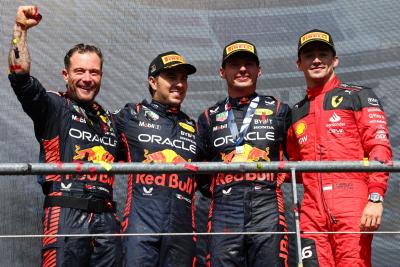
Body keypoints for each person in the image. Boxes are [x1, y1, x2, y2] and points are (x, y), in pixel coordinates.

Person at [8, 6, 122, 266]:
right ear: (66, 75)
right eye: (79, 71)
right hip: (66, 212)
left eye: (93, 72)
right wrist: (20, 30)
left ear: (101, 76)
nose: (87, 78)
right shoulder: (53, 106)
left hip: (106, 218)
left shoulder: (111, 121)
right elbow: (20, 77)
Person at [286, 29, 392, 266]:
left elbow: (379, 148)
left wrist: (375, 198)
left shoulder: (359, 96)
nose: (316, 60)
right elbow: (294, 164)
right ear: (299, 64)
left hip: (352, 205)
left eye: (323, 54)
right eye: (309, 55)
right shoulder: (295, 112)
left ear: (335, 60)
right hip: (311, 213)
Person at [197, 40, 291, 267]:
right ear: (222, 72)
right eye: (234, 65)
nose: (242, 69)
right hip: (224, 206)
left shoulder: (279, 110)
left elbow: (298, 155)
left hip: (267, 203)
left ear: (259, 70)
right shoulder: (209, 116)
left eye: (249, 64)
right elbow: (200, 173)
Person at [115, 51, 202, 266]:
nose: (179, 84)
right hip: (141, 223)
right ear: (153, 82)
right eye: (172, 77)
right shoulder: (130, 115)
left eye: (183, 78)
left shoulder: (194, 127)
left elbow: (208, 182)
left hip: (182, 227)